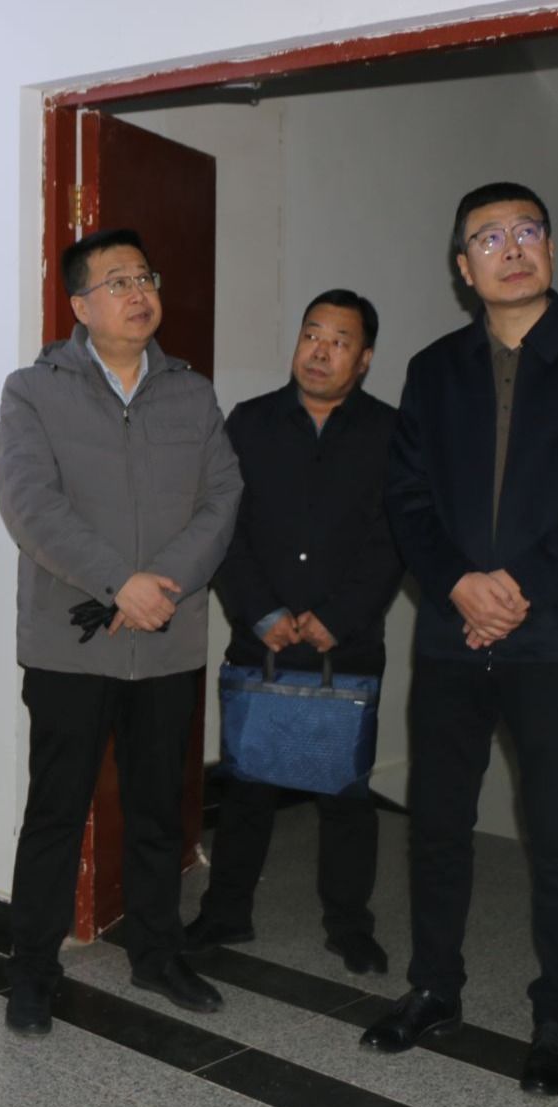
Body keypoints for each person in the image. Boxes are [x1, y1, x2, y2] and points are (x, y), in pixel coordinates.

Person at [361, 182, 558, 1095]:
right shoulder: (434, 369)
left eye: (527, 231)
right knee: (438, 824)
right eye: (488, 238)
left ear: (551, 249)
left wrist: (517, 590)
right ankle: (434, 988)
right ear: (463, 267)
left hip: (556, 637)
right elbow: (407, 497)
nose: (511, 248)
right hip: (452, 635)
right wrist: (457, 583)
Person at [0, 228, 242, 1034]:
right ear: (80, 305)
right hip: (72, 642)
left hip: (167, 636)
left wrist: (161, 585)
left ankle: (158, 952)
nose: (139, 294)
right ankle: (32, 970)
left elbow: (223, 498)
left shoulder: (191, 395)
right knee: (56, 810)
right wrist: (118, 584)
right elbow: (30, 506)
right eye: (118, 282)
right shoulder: (34, 392)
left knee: (158, 810)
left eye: (146, 278)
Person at [187, 289, 404, 976]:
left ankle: (349, 926)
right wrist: (262, 612)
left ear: (364, 359)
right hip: (263, 641)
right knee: (247, 785)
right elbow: (223, 527)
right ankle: (226, 912)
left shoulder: (391, 433)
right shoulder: (250, 423)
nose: (320, 351)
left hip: (349, 644)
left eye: (340, 341)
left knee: (346, 793)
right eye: (312, 334)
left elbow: (394, 539)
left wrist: (338, 617)